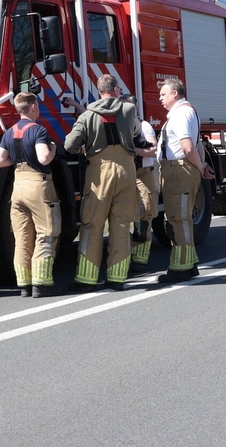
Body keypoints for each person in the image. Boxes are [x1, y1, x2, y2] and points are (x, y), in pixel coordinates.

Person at [63, 74, 141, 292]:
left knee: (92, 225)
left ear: (98, 92)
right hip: (126, 170)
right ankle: (117, 278)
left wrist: (83, 146)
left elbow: (69, 144)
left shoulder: (88, 115)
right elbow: (136, 132)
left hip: (100, 173)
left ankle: (86, 279)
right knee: (122, 225)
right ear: (116, 90)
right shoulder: (129, 110)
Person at [0, 93, 61, 298]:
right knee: (47, 233)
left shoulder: (9, 132)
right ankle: (42, 284)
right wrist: (52, 149)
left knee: (22, 237)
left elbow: (0, 162)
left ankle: (24, 284)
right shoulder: (38, 130)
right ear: (33, 107)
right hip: (38, 186)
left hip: (18, 186)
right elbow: (43, 158)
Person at [157, 78, 214, 283]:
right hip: (181, 170)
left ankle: (180, 268)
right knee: (184, 219)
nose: (160, 98)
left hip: (178, 170)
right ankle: (189, 264)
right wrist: (201, 167)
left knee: (178, 220)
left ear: (175, 93)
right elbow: (197, 144)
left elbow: (188, 146)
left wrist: (199, 167)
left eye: (163, 94)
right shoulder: (186, 112)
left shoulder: (181, 114)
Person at [120, 95, 159, 272]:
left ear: (135, 109)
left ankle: (140, 259)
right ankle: (125, 254)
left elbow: (153, 150)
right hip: (127, 175)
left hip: (143, 174)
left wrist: (131, 150)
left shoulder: (144, 126)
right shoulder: (120, 126)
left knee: (144, 214)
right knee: (124, 214)